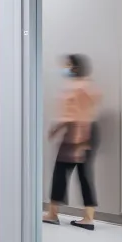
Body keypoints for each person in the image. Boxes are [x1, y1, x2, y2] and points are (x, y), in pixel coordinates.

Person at [43, 54, 102, 231]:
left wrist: (56, 129)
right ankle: (88, 218)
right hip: (91, 130)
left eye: (67, 65)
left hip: (76, 132)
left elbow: (70, 115)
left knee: (60, 172)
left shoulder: (73, 88)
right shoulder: (90, 86)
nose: (64, 68)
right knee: (85, 174)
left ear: (75, 68)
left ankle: (52, 214)